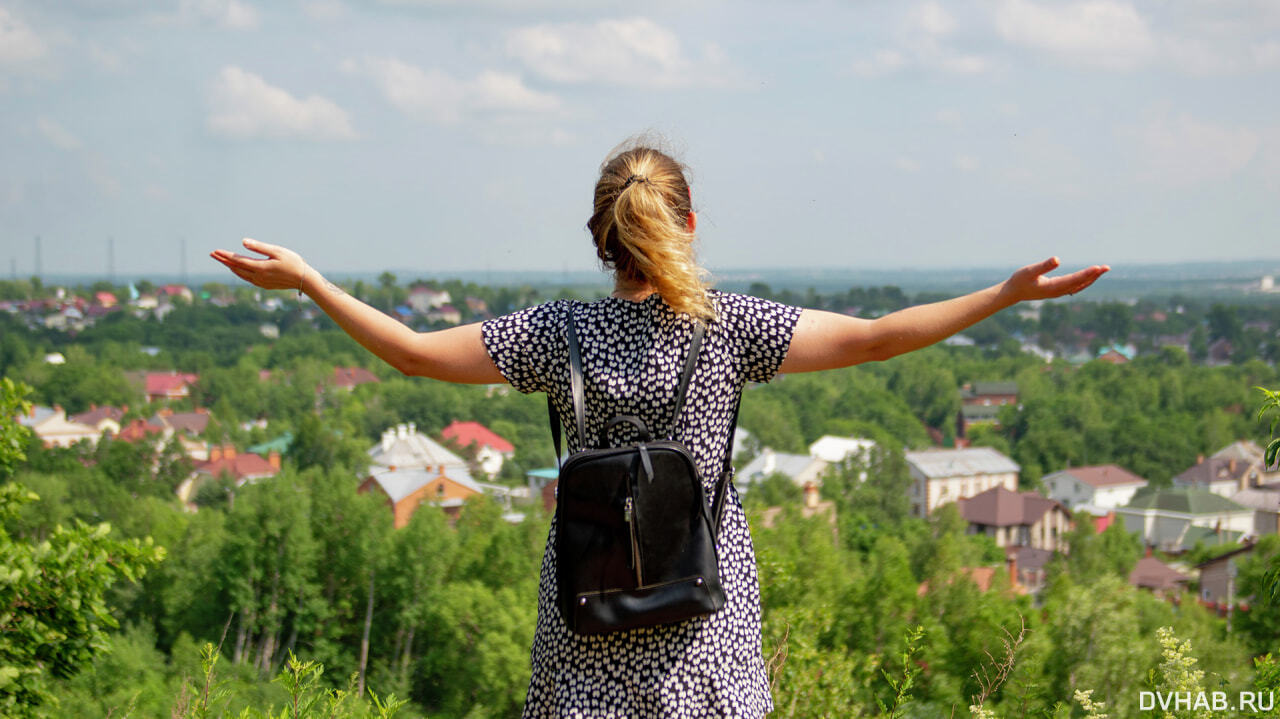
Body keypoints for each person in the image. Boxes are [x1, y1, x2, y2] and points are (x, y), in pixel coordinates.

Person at [211, 142, 1108, 717]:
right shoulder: (730, 326)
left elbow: (410, 353)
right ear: (686, 224)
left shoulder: (549, 336)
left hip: (586, 611)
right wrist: (1005, 295)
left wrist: (310, 281)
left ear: (600, 240)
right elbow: (876, 340)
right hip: (703, 613)